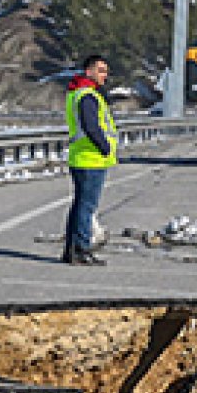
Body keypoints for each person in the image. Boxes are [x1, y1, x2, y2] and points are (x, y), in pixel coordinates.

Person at [62, 54, 118, 264]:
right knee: (86, 207)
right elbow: (91, 126)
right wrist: (104, 146)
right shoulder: (87, 96)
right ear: (89, 71)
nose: (105, 75)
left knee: (79, 206)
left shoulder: (78, 93)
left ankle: (72, 249)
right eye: (101, 70)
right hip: (90, 158)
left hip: (83, 157)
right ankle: (81, 249)